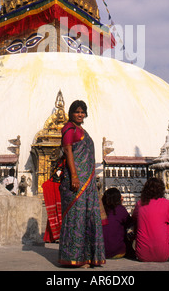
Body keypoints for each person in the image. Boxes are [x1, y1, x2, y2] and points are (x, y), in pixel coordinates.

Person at [58, 100, 106, 268]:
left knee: (88, 217)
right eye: (77, 112)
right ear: (71, 113)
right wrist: (74, 176)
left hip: (88, 182)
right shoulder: (69, 129)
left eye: (82, 112)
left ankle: (87, 256)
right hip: (76, 181)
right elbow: (68, 150)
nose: (80, 114)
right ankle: (73, 257)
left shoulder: (82, 130)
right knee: (75, 218)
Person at [132, 177, 169, 262]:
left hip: (142, 255)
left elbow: (134, 221)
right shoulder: (166, 204)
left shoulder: (139, 204)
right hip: (162, 256)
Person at [102, 187, 134, 259]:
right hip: (117, 252)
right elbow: (130, 223)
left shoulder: (101, 210)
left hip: (101, 252)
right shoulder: (120, 209)